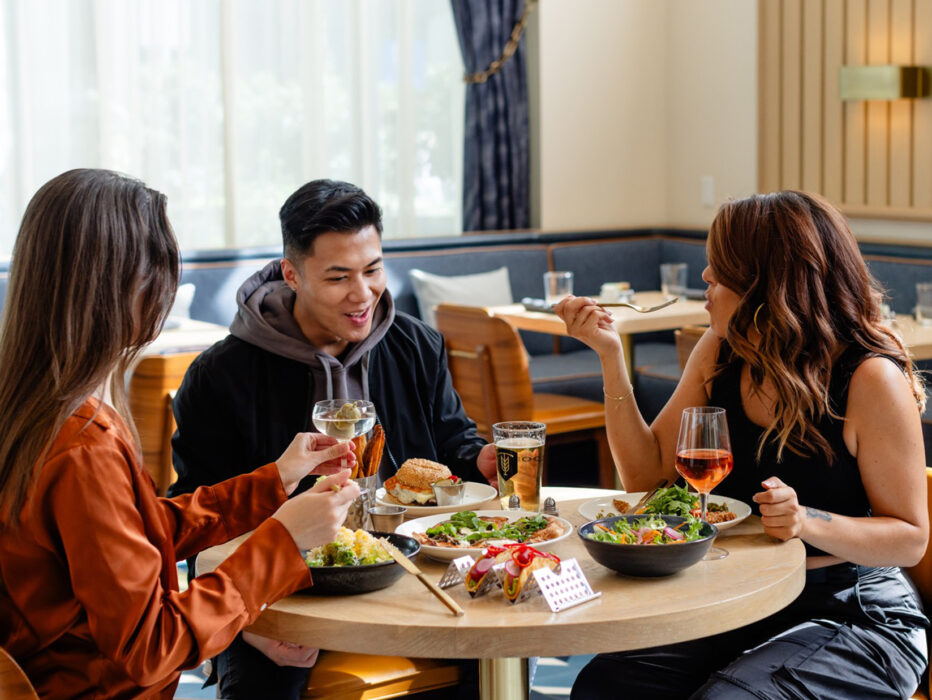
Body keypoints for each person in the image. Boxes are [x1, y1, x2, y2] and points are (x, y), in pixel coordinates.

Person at [0, 169, 363, 699]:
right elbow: (151, 646)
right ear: (122, 286)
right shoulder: (82, 447)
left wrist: (274, 482)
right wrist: (284, 539)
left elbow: (129, 537)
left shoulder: (33, 410)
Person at [556, 190, 929, 699]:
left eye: (721, 265)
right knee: (605, 687)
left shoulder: (868, 378)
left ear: (768, 281)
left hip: (853, 610)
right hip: (743, 597)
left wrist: (806, 520)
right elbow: (646, 477)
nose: (706, 275)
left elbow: (910, 538)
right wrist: (609, 357)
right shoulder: (722, 350)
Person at [168, 178, 496, 698]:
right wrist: (250, 623)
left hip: (411, 573)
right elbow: (195, 515)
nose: (362, 293)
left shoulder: (417, 345)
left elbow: (452, 447)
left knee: (496, 662)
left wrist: (483, 460)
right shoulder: (221, 375)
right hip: (280, 590)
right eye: (339, 277)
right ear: (292, 275)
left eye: (373, 270)